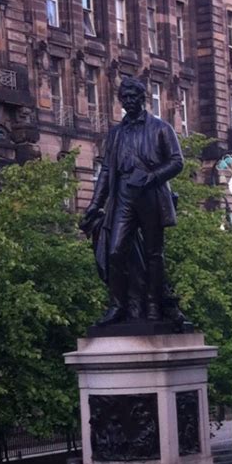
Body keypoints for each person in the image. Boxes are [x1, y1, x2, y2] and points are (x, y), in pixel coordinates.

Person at [82, 76, 184, 326]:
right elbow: (106, 170)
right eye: (124, 98)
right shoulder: (116, 133)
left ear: (142, 98)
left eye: (133, 97)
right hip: (124, 195)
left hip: (151, 195)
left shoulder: (161, 128)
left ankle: (152, 304)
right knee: (115, 250)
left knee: (154, 253)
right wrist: (95, 204)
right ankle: (118, 305)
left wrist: (152, 177)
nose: (128, 101)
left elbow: (177, 162)